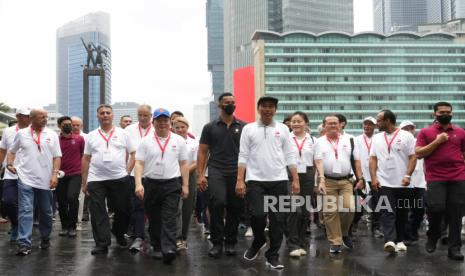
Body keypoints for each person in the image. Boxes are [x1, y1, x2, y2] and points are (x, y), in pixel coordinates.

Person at [236, 96, 299, 270]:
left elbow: (290, 154)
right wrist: (240, 179)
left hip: (279, 180)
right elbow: (243, 155)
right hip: (255, 180)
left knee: (279, 220)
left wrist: (295, 179)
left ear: (275, 110)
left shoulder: (283, 128)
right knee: (257, 215)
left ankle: (273, 256)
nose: (268, 109)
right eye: (264, 106)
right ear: (258, 108)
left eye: (271, 106)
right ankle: (258, 241)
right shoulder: (248, 129)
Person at [134, 108, 189, 264]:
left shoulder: (178, 141)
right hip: (151, 184)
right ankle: (157, 245)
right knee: (154, 217)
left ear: (170, 123)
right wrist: (138, 184)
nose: (162, 123)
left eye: (165, 120)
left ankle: (169, 248)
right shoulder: (145, 141)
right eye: (159, 121)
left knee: (169, 217)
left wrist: (185, 185)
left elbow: (184, 164)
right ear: (154, 123)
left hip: (172, 184)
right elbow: (139, 163)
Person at [81, 104, 136, 255]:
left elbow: (134, 154)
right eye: (102, 113)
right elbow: (86, 158)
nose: (105, 115)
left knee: (123, 210)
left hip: (119, 178)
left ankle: (118, 233)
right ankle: (102, 243)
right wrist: (84, 181)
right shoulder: (91, 135)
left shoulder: (123, 133)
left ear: (112, 116)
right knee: (98, 211)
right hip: (96, 179)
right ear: (97, 116)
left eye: (108, 113)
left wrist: (127, 171)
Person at [6, 108, 62, 255]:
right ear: (31, 118)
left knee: (46, 211)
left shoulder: (52, 134)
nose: (44, 119)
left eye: (46, 116)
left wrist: (55, 175)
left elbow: (57, 156)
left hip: (45, 179)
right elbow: (11, 151)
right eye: (41, 116)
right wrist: (10, 164)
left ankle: (45, 237)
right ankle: (24, 243)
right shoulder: (22, 134)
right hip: (25, 178)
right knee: (25, 210)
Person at [197, 92, 245, 258]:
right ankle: (217, 242)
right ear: (219, 105)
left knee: (235, 206)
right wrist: (200, 175)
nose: (230, 104)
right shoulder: (210, 127)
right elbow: (202, 152)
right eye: (226, 102)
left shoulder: (243, 126)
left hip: (237, 172)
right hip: (216, 170)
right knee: (217, 203)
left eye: (233, 102)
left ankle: (231, 241)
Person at [416, 102, 465, 260]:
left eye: (448, 112)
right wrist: (437, 141)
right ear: (434, 114)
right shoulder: (426, 132)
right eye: (441, 112)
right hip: (435, 178)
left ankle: (455, 249)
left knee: (456, 213)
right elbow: (418, 153)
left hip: (458, 177)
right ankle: (433, 235)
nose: (445, 114)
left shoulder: (460, 132)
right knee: (436, 208)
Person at [314, 114, 364, 254]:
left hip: (346, 180)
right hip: (327, 181)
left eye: (335, 123)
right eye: (330, 123)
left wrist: (360, 178)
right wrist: (321, 180)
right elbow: (318, 161)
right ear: (324, 126)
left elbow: (357, 161)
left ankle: (344, 233)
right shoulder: (319, 142)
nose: (333, 125)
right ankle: (335, 242)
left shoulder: (350, 140)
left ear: (341, 125)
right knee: (330, 212)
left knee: (349, 207)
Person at [369, 110, 416, 254]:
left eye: (379, 120)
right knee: (387, 211)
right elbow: (373, 159)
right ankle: (390, 240)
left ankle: (400, 240)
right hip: (384, 182)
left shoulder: (406, 136)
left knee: (402, 212)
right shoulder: (376, 138)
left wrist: (407, 175)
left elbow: (413, 157)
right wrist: (374, 178)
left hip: (403, 182)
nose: (376, 123)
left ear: (388, 121)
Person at [124, 104, 154, 251]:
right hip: (133, 174)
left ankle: (155, 236)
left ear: (151, 115)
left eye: (146, 115)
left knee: (153, 206)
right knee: (137, 206)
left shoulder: (156, 129)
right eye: (140, 115)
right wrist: (125, 170)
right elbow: (126, 151)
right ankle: (138, 236)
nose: (142, 118)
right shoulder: (129, 130)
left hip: (152, 174)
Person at [286, 111, 316, 258]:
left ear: (306, 123)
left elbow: (317, 161)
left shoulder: (312, 140)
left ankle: (301, 241)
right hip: (290, 175)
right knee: (294, 210)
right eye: (294, 121)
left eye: (299, 121)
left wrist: (317, 181)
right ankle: (292, 243)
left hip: (308, 175)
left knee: (305, 212)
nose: (296, 124)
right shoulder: (286, 138)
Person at [0, 108, 31, 241]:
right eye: (25, 116)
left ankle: (23, 232)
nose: (28, 118)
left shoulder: (34, 131)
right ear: (18, 116)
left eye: (30, 116)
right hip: (10, 172)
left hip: (28, 173)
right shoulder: (8, 131)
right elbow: (3, 150)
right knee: (8, 201)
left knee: (26, 205)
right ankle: (16, 223)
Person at [56, 116, 85, 238]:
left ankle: (72, 226)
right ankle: (64, 226)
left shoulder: (79, 139)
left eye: (70, 124)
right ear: (59, 126)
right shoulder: (56, 140)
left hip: (75, 174)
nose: (68, 126)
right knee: (61, 201)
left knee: (72, 198)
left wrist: (84, 175)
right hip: (60, 175)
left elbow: (84, 156)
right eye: (65, 124)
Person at [399, 120, 426, 246]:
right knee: (404, 209)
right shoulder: (398, 144)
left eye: (411, 128)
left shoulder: (420, 143)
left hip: (420, 182)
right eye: (405, 128)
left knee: (419, 209)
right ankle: (405, 236)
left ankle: (413, 231)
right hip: (403, 182)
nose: (408, 130)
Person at [354, 116, 383, 238]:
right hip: (361, 176)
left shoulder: (379, 139)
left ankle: (376, 227)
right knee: (359, 204)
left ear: (375, 126)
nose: (367, 126)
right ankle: (354, 225)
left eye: (370, 124)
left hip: (376, 176)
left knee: (377, 203)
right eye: (365, 124)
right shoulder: (356, 140)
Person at [173, 117, 199, 250]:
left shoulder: (194, 143)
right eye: (177, 127)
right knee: (176, 207)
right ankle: (176, 237)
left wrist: (183, 171)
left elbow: (196, 162)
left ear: (187, 127)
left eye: (182, 127)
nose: (180, 130)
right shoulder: (171, 141)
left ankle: (183, 237)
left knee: (187, 208)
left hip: (190, 175)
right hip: (173, 177)